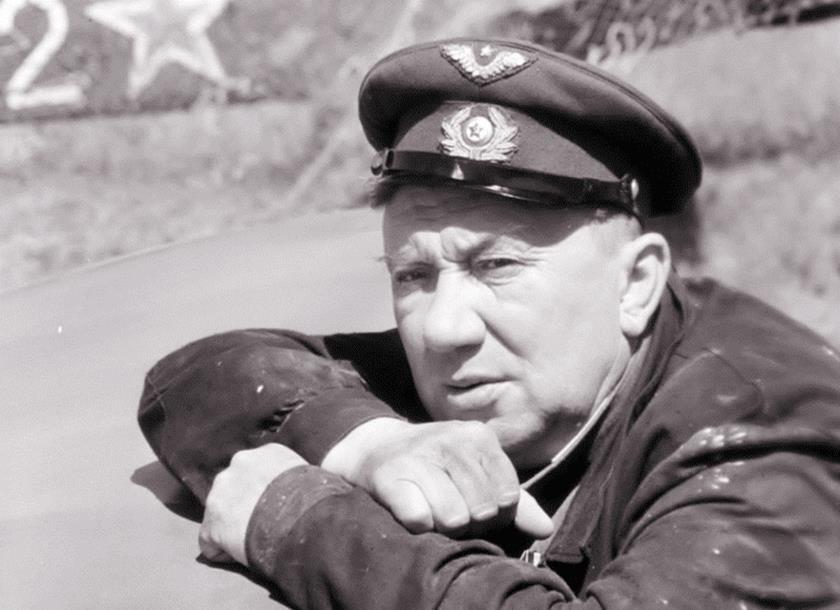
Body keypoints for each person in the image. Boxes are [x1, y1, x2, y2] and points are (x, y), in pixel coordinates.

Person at [138, 38, 840, 608]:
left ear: (636, 283)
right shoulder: (512, 358)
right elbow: (201, 380)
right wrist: (372, 446)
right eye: (413, 275)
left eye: (497, 267)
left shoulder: (767, 436)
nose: (443, 329)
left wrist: (299, 522)